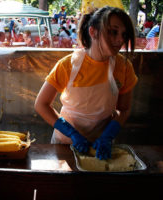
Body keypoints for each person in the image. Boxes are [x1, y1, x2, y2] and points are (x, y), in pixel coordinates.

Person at [34, 6, 137, 160]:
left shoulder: (124, 67)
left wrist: (108, 135)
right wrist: (71, 133)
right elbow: (41, 104)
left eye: (124, 34)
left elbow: (124, 108)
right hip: (65, 145)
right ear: (93, 31)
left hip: (100, 146)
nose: (120, 40)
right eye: (113, 32)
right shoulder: (68, 65)